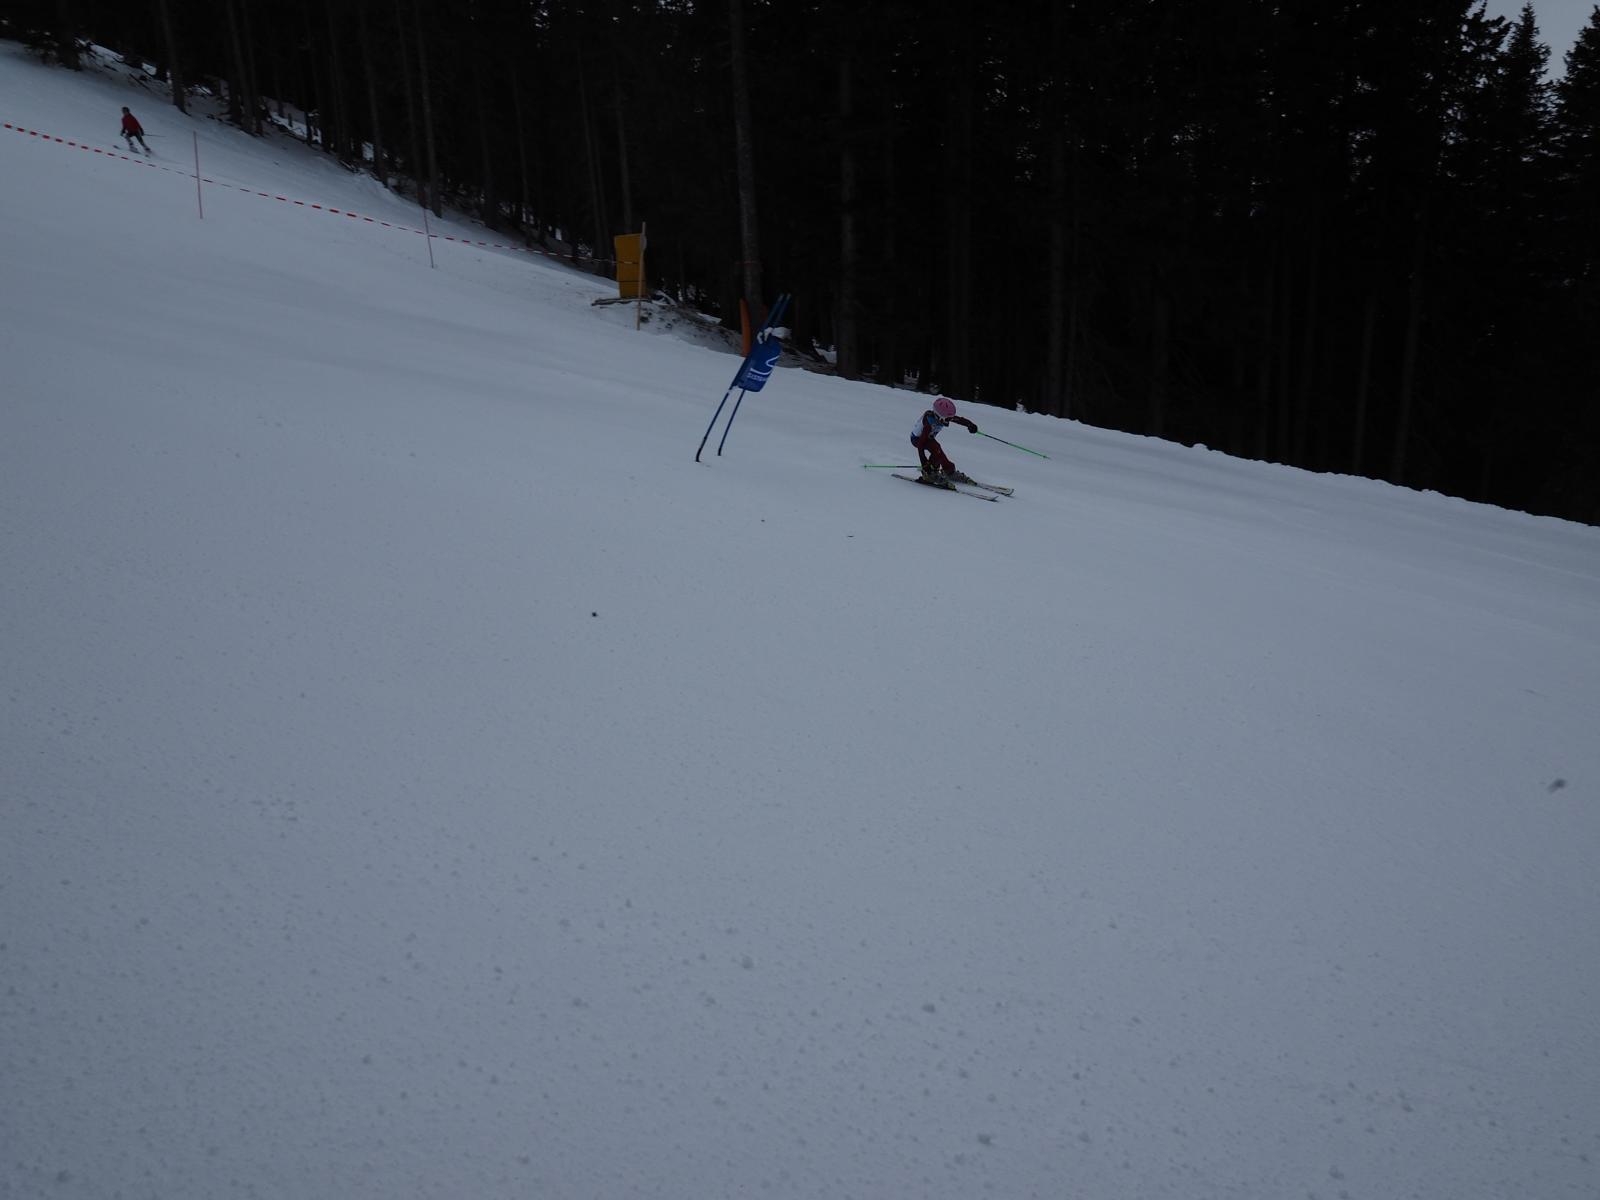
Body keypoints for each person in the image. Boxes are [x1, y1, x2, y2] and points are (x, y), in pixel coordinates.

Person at [911, 395, 979, 481]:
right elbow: (921, 444)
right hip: (917, 439)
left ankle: (949, 471)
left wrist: (970, 424)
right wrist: (924, 462)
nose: (949, 421)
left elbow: (958, 419)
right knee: (936, 449)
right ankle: (930, 474)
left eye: (950, 418)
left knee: (939, 452)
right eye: (947, 419)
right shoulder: (929, 424)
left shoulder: (942, 417)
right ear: (939, 416)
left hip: (928, 438)